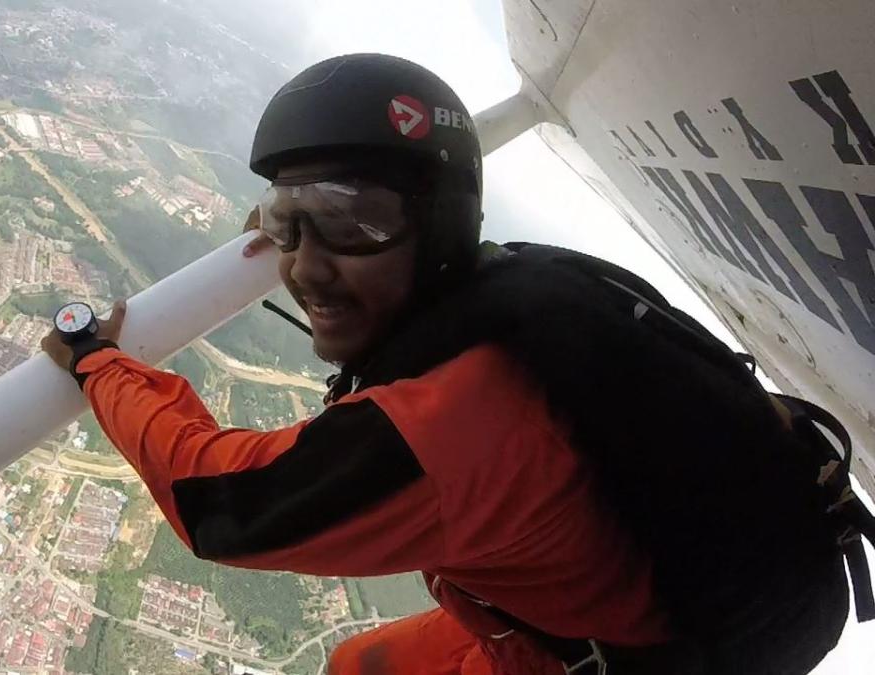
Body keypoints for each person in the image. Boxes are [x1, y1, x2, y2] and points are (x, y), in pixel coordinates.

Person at [42, 54, 871, 674]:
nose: (305, 265)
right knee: (354, 665)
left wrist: (97, 362)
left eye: (353, 221)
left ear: (438, 226)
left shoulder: (459, 429)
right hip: (604, 603)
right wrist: (323, 226)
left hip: (612, 655)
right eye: (290, 219)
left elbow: (220, 505)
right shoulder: (517, 287)